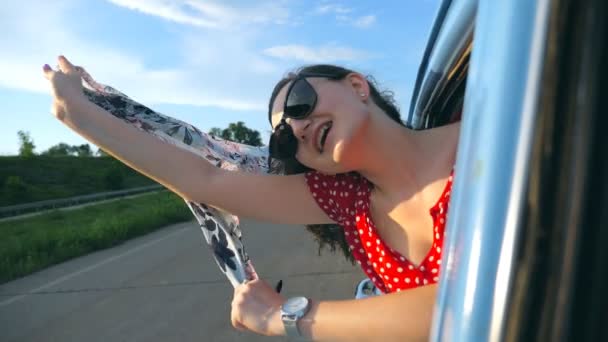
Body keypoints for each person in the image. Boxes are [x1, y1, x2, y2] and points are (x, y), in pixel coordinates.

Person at [43, 56, 460, 341]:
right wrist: (78, 113)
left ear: (356, 85)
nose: (296, 128)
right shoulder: (346, 201)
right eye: (282, 139)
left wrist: (285, 316)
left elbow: (469, 304)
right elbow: (206, 178)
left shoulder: (487, 138)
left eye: (300, 103)